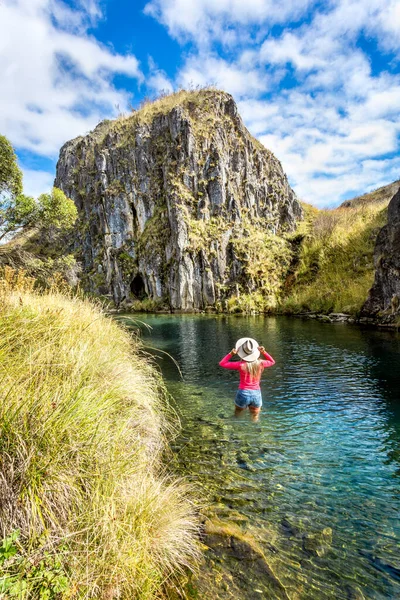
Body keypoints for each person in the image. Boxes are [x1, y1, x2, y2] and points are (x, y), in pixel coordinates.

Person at [219, 337, 275, 420]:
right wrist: (264, 352)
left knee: (237, 415)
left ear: (242, 353)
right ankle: (256, 431)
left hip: (243, 393)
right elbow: (272, 361)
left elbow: (222, 363)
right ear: (255, 352)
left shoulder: (240, 365)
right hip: (256, 394)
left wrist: (231, 354)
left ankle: (235, 429)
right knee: (255, 417)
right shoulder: (261, 363)